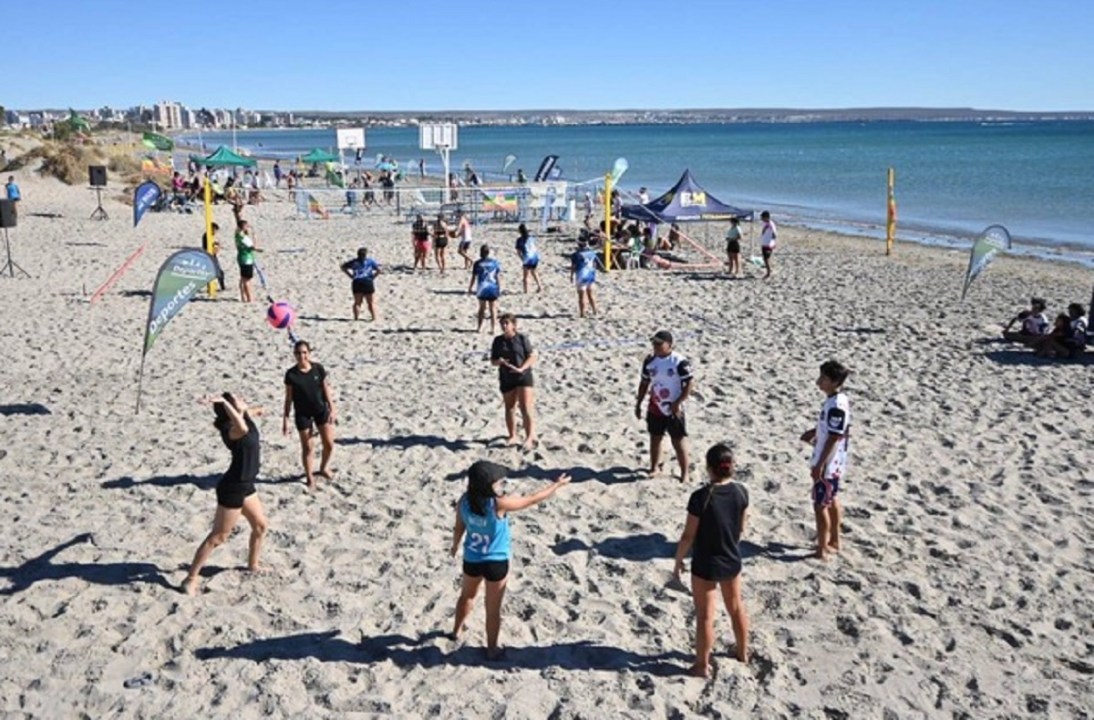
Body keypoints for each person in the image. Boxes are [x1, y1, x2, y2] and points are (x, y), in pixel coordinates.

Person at [449, 460, 571, 659]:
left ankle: (456, 631)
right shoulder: (498, 504)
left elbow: (459, 527)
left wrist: (455, 546)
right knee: (492, 610)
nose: (499, 484)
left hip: (472, 559)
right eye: (496, 482)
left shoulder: (464, 501)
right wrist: (556, 485)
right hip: (496, 562)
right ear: (488, 485)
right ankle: (492, 650)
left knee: (467, 597)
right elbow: (532, 499)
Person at [673, 442, 750, 675]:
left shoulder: (701, 497)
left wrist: (678, 560)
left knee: (705, 616)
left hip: (706, 563)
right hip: (731, 558)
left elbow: (688, 535)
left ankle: (701, 665)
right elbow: (741, 528)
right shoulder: (741, 492)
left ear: (709, 468)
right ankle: (743, 652)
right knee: (736, 608)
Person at [183, 392, 269, 596]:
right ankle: (190, 579)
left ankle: (253, 565)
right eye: (237, 398)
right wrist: (223, 403)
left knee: (260, 526)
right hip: (233, 488)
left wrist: (258, 409)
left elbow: (249, 413)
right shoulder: (231, 429)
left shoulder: (243, 415)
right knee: (218, 537)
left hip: (246, 485)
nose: (242, 398)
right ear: (231, 410)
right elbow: (243, 428)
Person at [799, 360, 851, 560]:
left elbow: (835, 436)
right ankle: (834, 540)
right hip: (834, 463)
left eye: (823, 378)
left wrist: (820, 464)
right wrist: (814, 432)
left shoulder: (836, 405)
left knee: (820, 505)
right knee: (832, 499)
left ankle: (822, 548)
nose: (818, 382)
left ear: (834, 382)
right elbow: (833, 428)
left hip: (829, 464)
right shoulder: (838, 399)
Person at [635, 331, 694, 483]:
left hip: (674, 407)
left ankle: (685, 473)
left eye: (659, 343)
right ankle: (654, 467)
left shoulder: (679, 361)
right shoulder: (650, 361)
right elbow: (644, 383)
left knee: (678, 440)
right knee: (655, 437)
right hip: (655, 405)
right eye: (654, 343)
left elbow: (689, 383)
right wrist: (639, 403)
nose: (655, 346)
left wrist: (678, 402)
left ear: (669, 345)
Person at [283, 340, 337, 490]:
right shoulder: (291, 374)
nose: (302, 356)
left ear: (309, 353)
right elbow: (288, 399)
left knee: (329, 443)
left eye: (304, 353)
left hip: (321, 409)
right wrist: (285, 419)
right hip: (303, 413)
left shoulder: (318, 369)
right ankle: (309, 477)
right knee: (308, 447)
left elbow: (325, 390)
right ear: (294, 355)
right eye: (298, 353)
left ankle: (324, 467)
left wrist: (332, 407)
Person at [491, 314, 538, 449]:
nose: (504, 326)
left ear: (513, 325)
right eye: (502, 323)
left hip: (523, 376)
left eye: (507, 323)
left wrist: (522, 368)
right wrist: (499, 362)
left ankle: (530, 437)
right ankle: (512, 435)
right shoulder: (498, 341)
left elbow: (532, 356)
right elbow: (493, 361)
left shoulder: (522, 338)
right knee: (510, 407)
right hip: (506, 376)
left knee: (525, 407)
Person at [340, 247, 381, 321]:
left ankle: (356, 318)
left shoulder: (354, 262)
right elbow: (379, 270)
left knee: (357, 302)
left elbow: (343, 267)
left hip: (357, 281)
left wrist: (350, 275)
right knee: (370, 302)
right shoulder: (370, 261)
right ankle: (373, 317)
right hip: (367, 281)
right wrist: (373, 277)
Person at [468, 244, 502, 333]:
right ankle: (493, 328)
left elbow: (473, 277)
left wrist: (470, 288)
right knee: (493, 308)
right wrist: (499, 287)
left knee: (482, 308)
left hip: (482, 287)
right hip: (492, 286)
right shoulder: (495, 262)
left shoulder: (477, 263)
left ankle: (479, 327)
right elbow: (497, 276)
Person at [570, 238, 599, 318]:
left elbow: (573, 267)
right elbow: (595, 264)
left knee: (582, 295)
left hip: (581, 275)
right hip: (590, 274)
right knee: (591, 294)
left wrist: (571, 276)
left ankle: (582, 313)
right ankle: (595, 310)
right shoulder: (592, 253)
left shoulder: (576, 255)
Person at [234, 220, 260, 303]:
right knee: (247, 279)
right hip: (246, 258)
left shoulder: (237, 235)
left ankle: (243, 296)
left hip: (241, 257)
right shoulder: (243, 237)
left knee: (243, 278)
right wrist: (254, 237)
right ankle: (249, 298)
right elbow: (254, 247)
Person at [514, 223, 543, 293]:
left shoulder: (519, 240)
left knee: (526, 276)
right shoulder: (531, 238)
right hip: (535, 256)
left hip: (527, 257)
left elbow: (518, 252)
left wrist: (522, 259)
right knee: (534, 271)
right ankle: (539, 286)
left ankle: (526, 291)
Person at [201, 222, 226, 291]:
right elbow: (207, 247)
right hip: (209, 257)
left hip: (211, 256)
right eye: (215, 230)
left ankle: (220, 287)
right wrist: (215, 247)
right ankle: (217, 287)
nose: (215, 232)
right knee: (217, 272)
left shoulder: (209, 236)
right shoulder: (206, 236)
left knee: (218, 272)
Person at [759, 211, 777, 279]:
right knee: (766, 258)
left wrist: (772, 241)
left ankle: (768, 273)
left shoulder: (770, 224)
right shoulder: (765, 223)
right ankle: (769, 270)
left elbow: (774, 234)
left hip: (768, 244)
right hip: (764, 243)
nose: (761, 218)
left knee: (766, 258)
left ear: (766, 217)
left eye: (762, 217)